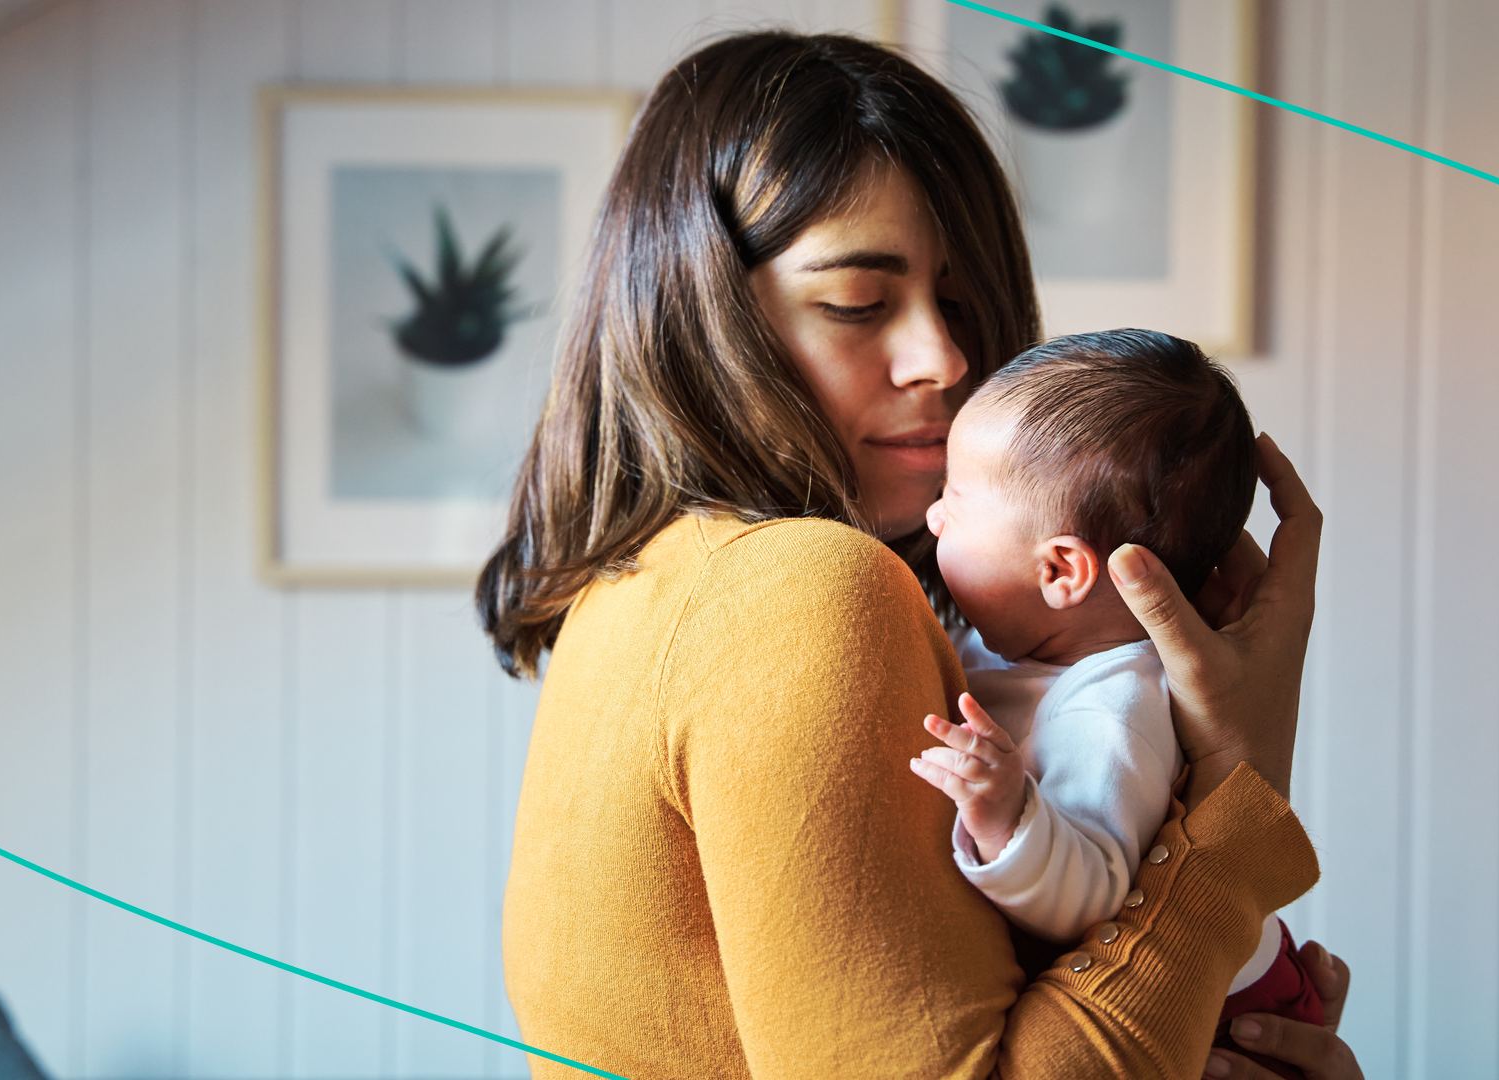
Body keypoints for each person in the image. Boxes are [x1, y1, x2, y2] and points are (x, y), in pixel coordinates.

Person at [478, 30, 1364, 1080]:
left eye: (960, 300)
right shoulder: (797, 589)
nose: (942, 357)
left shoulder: (645, 589)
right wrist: (1235, 794)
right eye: (859, 302)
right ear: (703, 316)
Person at [912, 330, 1323, 1080]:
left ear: (1062, 570)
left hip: (1229, 1017)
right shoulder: (1019, 645)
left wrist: (1009, 818)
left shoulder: (1113, 709)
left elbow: (1095, 892)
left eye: (955, 501)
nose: (933, 518)